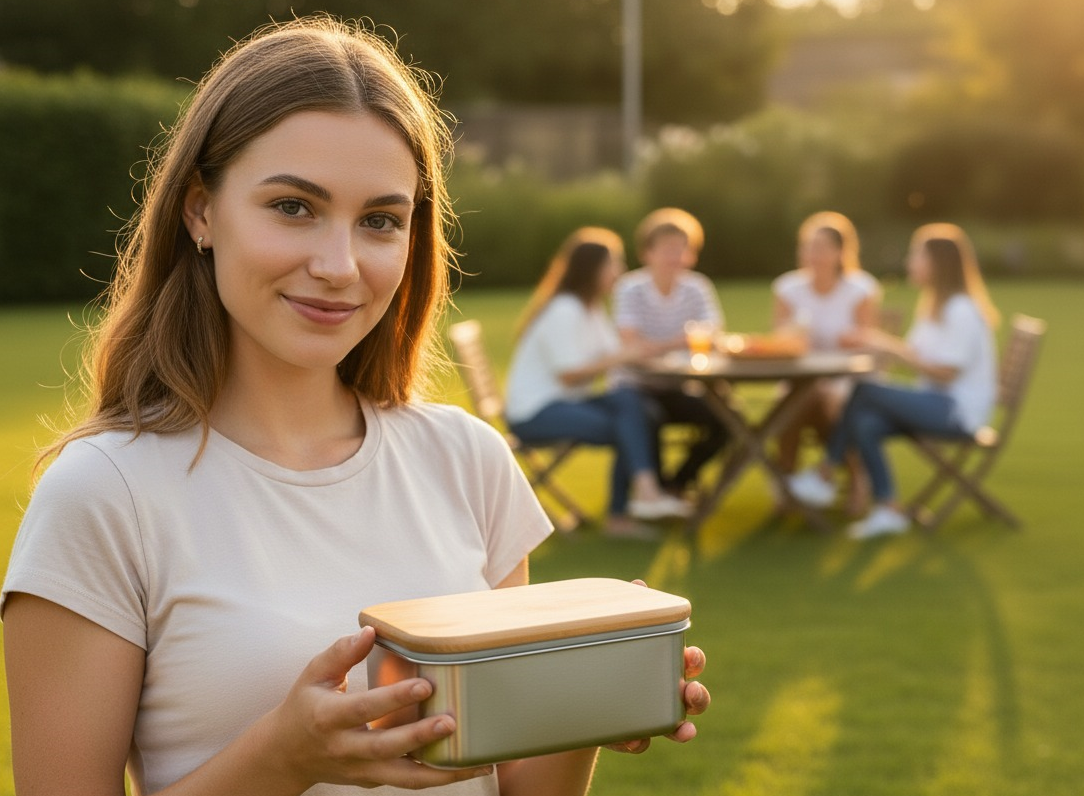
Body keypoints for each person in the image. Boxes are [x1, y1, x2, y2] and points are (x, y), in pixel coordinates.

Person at [0, 17, 710, 796]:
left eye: (380, 220)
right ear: (200, 211)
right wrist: (280, 759)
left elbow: (517, 787)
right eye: (294, 207)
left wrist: (593, 698)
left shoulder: (468, 460)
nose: (339, 266)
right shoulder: (106, 494)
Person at [787, 223, 1000, 539]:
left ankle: (825, 473)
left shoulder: (960, 311)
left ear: (937, 264)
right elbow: (915, 354)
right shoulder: (934, 307)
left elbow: (945, 372)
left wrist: (885, 346)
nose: (909, 262)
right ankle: (887, 508)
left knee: (864, 390)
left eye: (916, 255)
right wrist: (874, 342)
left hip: (956, 413)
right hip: (935, 403)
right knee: (865, 423)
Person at [504, 227, 692, 542]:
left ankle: (645, 494)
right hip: (535, 412)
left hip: (567, 402)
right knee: (627, 424)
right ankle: (627, 510)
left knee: (635, 404)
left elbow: (618, 354)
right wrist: (624, 356)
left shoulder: (590, 308)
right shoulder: (565, 310)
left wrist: (653, 354)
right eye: (614, 264)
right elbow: (570, 374)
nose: (620, 272)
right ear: (593, 270)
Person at [771, 211, 882, 515]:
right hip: (800, 378)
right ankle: (790, 478)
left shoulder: (861, 289)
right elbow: (778, 342)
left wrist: (854, 341)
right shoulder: (787, 289)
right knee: (794, 399)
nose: (812, 255)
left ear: (840, 252)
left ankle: (847, 478)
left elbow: (869, 346)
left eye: (820, 247)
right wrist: (792, 339)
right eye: (807, 247)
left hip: (849, 380)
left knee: (825, 400)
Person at [612, 207, 728, 496]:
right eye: (667, 250)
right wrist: (682, 341)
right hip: (636, 387)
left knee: (727, 419)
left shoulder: (697, 288)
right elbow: (632, 345)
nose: (675, 257)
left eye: (681, 250)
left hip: (680, 385)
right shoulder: (630, 289)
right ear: (647, 253)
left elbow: (713, 335)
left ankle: (677, 484)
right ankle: (654, 492)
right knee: (646, 417)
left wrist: (657, 346)